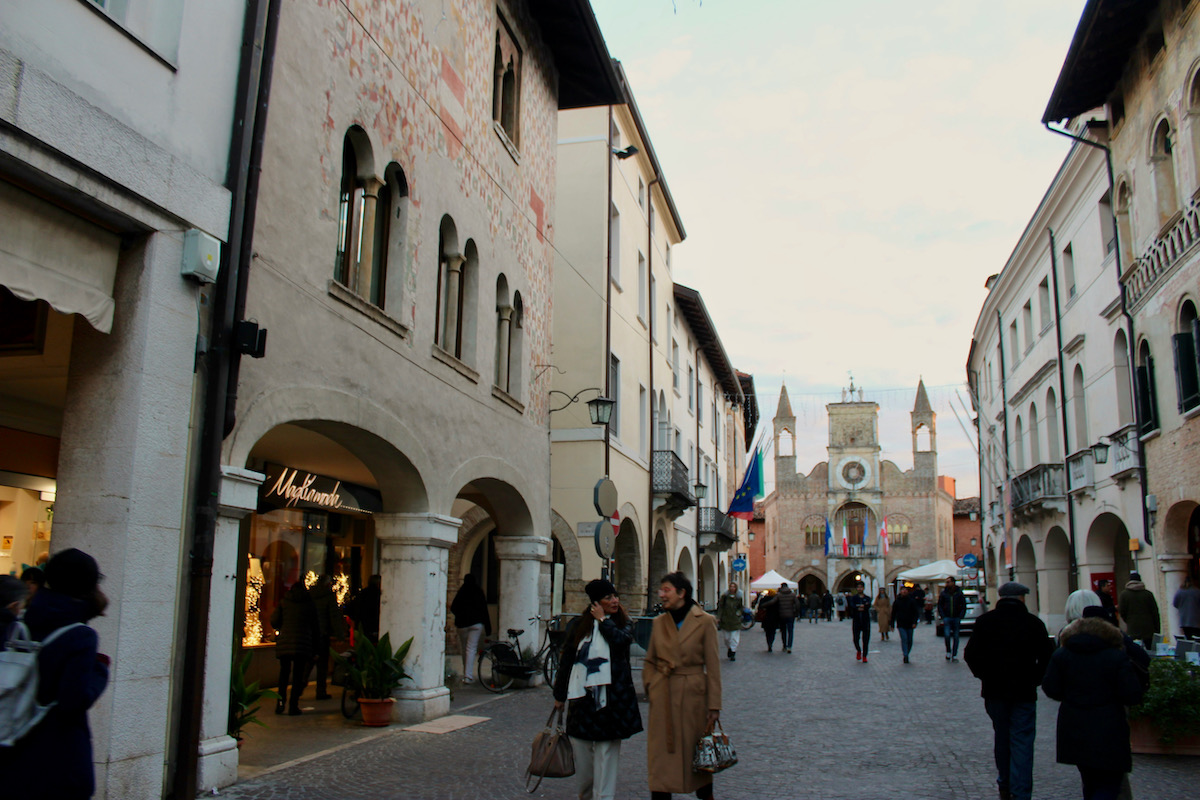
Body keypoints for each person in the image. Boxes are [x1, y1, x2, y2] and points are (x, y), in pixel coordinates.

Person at [1, 548, 110, 800]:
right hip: (57, 757)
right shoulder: (80, 635)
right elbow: (73, 700)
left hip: (11, 747)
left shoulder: (20, 624)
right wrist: (99, 670)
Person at [1043, 597, 1145, 800]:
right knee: (1109, 783)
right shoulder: (1115, 656)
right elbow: (1132, 694)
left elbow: (1050, 687)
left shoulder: (1063, 654)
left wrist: (1071, 696)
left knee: (1090, 781)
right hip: (1110, 725)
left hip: (1074, 724)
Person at [552, 579, 642, 800]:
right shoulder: (578, 626)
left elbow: (621, 642)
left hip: (613, 702)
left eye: (615, 596)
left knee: (606, 757)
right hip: (583, 701)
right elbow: (568, 662)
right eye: (608, 597)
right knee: (583, 760)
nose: (615, 600)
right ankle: (586, 796)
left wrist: (603, 621)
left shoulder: (623, 623)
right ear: (596, 602)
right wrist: (559, 695)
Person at [963, 582, 1054, 800]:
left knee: (1002, 736)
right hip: (1024, 690)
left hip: (994, 690)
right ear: (1021, 598)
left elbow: (970, 654)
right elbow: (1047, 657)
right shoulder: (1033, 623)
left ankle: (1005, 782)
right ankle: (1021, 791)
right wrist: (1036, 678)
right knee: (1022, 739)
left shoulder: (985, 622)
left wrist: (984, 675)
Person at [643, 572, 721, 800]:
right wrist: (652, 685)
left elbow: (714, 667)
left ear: (681, 593)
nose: (662, 595)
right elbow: (650, 660)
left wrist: (714, 706)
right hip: (663, 698)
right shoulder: (659, 622)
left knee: (697, 759)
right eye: (661, 590)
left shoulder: (705, 621)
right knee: (660, 762)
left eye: (666, 590)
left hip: (693, 700)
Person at [270, 580, 319, 715]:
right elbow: (315, 626)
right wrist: (315, 647)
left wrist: (282, 628)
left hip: (285, 643)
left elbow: (274, 621)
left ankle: (280, 703)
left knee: (284, 674)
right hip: (302, 643)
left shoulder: (284, 602)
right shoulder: (309, 604)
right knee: (298, 675)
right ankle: (293, 705)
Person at [309, 574, 347, 700]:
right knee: (322, 665)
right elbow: (334, 617)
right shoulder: (329, 596)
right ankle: (321, 691)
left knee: (308, 663)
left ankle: (299, 688)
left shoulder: (309, 595)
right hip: (322, 634)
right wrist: (340, 635)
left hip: (309, 634)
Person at [450, 574, 491, 683]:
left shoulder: (461, 592)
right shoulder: (478, 592)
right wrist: (488, 627)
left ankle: (466, 673)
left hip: (463, 624)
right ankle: (468, 676)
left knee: (465, 648)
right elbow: (484, 610)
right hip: (476, 624)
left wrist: (460, 615)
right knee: (471, 649)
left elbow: (453, 607)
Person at [1117, 572, 1159, 650]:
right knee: (1150, 649)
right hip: (1148, 627)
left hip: (1132, 626)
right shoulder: (1148, 594)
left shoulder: (1124, 594)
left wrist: (1128, 620)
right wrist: (1157, 628)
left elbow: (1122, 611)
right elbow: (1155, 612)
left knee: (1134, 649)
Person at [938, 576, 967, 662]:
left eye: (948, 582)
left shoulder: (959, 593)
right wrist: (942, 615)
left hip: (956, 617)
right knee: (947, 635)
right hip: (947, 617)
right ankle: (948, 651)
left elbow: (963, 605)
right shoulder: (943, 593)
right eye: (946, 582)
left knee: (956, 636)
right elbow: (940, 605)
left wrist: (961, 615)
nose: (947, 584)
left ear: (953, 582)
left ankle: (954, 654)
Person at [346, 573, 381, 642]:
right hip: (374, 628)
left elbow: (350, 610)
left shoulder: (361, 594)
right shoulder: (379, 595)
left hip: (361, 628)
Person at [892, 584, 920, 663]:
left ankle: (907, 652)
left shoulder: (912, 601)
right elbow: (893, 613)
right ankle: (905, 655)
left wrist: (915, 622)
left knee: (910, 640)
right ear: (900, 592)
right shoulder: (897, 601)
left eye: (905, 590)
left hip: (910, 624)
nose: (904, 591)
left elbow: (916, 612)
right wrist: (892, 624)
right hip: (901, 624)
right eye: (902, 590)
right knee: (904, 639)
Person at [715, 582, 743, 661]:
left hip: (735, 620)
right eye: (731, 586)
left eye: (734, 587)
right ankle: (729, 648)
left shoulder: (738, 597)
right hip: (726, 620)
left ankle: (733, 652)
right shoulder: (725, 597)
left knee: (734, 638)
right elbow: (721, 607)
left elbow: (740, 607)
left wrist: (738, 613)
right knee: (727, 638)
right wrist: (718, 617)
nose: (732, 588)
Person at [846, 582, 872, 663]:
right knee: (856, 639)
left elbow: (868, 605)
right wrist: (861, 606)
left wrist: (860, 606)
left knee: (866, 639)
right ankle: (859, 650)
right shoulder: (854, 598)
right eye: (858, 587)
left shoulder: (867, 598)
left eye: (861, 587)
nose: (860, 589)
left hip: (865, 621)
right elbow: (852, 606)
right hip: (856, 621)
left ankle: (864, 656)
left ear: (863, 588)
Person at [771, 582, 799, 653]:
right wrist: (796, 613)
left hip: (782, 615)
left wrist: (764, 605)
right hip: (790, 615)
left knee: (783, 631)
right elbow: (797, 604)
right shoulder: (792, 595)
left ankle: (784, 646)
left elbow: (772, 602)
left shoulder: (779, 595)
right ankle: (789, 646)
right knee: (790, 631)